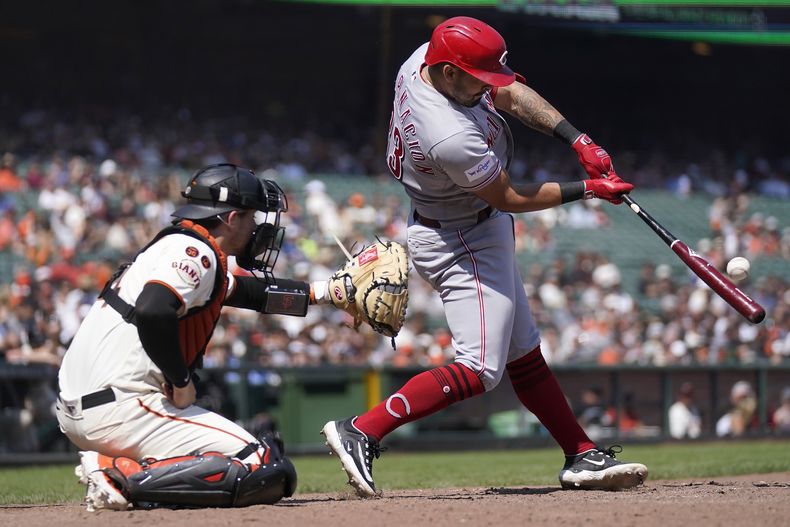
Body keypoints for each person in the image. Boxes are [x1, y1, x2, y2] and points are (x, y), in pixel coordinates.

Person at [322, 16, 647, 496]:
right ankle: (362, 430)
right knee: (479, 369)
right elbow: (509, 198)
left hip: (470, 223)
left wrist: (578, 139)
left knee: (523, 351)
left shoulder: (425, 60)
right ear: (450, 73)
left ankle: (580, 453)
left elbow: (510, 91)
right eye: (478, 77)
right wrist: (589, 190)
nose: (489, 84)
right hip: (460, 239)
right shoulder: (447, 134)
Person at [55, 163, 341, 511]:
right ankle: (118, 474)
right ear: (233, 218)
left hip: (83, 407)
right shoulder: (198, 253)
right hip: (122, 409)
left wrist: (330, 292)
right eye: (253, 217)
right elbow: (153, 309)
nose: (256, 227)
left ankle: (123, 473)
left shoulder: (176, 246)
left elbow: (247, 293)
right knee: (264, 465)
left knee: (250, 461)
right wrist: (181, 378)